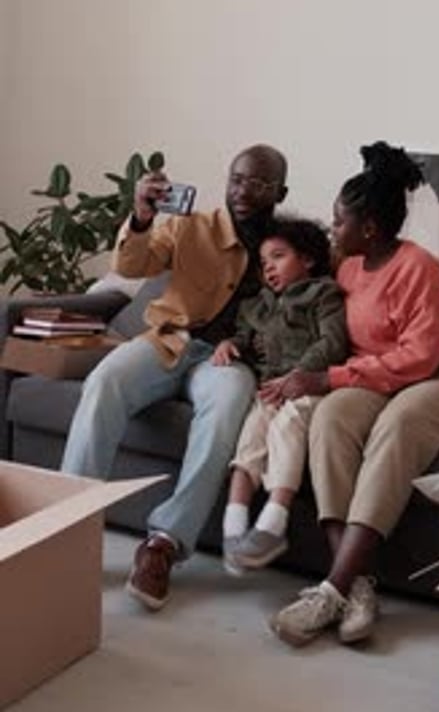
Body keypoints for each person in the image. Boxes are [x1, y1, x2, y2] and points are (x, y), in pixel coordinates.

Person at [265, 141, 439, 647]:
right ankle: (357, 586)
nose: (333, 229)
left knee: (399, 424)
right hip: (380, 377)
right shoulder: (349, 266)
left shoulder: (420, 268)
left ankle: (330, 589)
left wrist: (327, 377)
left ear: (368, 227)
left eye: (339, 221)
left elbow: (420, 358)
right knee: (331, 417)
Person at [61, 144, 288, 611]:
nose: (244, 191)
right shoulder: (190, 225)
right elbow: (131, 266)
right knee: (106, 379)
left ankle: (164, 543)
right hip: (168, 341)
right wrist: (142, 216)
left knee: (229, 403)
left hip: (227, 362)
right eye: (237, 179)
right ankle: (67, 529)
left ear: (280, 193)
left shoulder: (288, 248)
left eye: (259, 184)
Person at [212, 216, 348, 574]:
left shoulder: (323, 294)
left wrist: (298, 375)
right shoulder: (256, 306)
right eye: (264, 261)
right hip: (271, 389)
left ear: (308, 260)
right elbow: (244, 338)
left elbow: (332, 343)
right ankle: (234, 528)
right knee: (251, 435)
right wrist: (229, 344)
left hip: (308, 387)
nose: (269, 267)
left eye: (278, 256)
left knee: (288, 425)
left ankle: (274, 522)